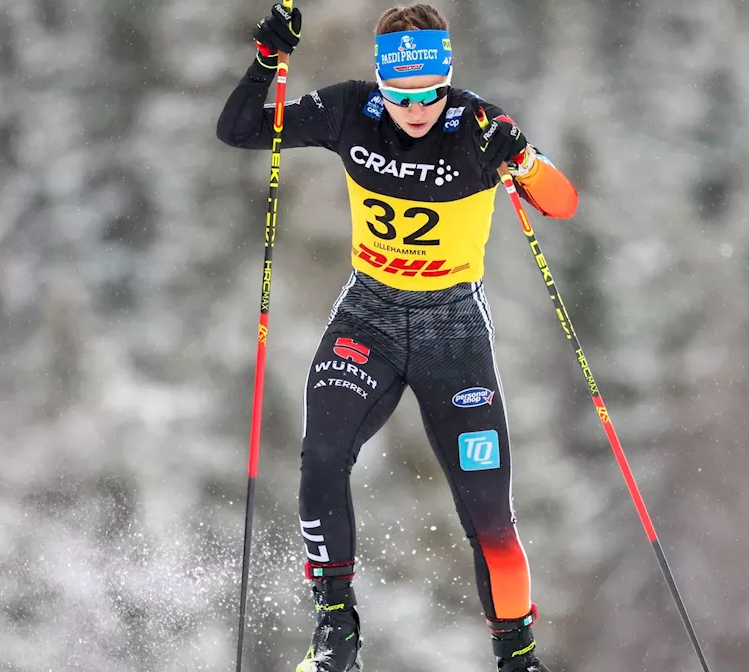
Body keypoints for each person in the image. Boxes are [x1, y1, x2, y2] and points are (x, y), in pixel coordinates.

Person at [217, 4, 578, 671]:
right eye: (402, 96)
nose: (418, 110)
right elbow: (239, 129)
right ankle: (336, 632)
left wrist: (521, 159)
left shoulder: (477, 125)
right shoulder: (352, 111)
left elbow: (560, 201)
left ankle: (520, 659)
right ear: (382, 85)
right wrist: (266, 61)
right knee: (322, 455)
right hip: (370, 316)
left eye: (431, 95)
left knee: (491, 518)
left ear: (449, 79)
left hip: (453, 330)